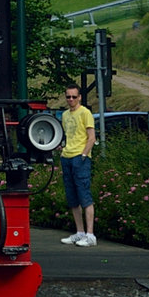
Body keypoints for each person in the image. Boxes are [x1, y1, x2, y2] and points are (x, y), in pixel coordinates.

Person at [59, 85, 97, 247]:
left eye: (74, 97)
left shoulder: (85, 113)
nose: (71, 100)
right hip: (67, 155)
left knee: (84, 195)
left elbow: (91, 137)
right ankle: (80, 231)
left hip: (79, 157)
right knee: (72, 196)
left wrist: (83, 154)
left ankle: (90, 234)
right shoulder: (65, 115)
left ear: (80, 97)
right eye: (68, 97)